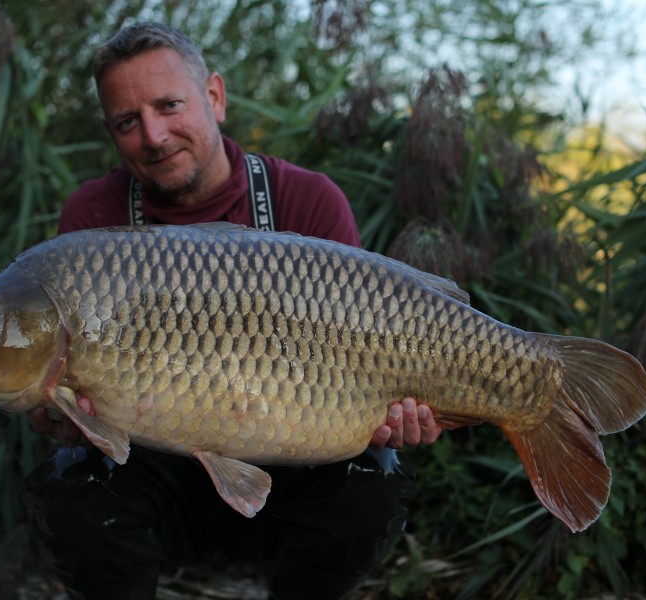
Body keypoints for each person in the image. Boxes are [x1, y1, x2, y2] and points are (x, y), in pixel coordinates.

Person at [22, 21, 442, 600]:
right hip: (153, 479)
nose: (154, 135)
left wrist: (397, 418)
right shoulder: (93, 217)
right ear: (112, 132)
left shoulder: (308, 200)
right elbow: (70, 401)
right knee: (74, 481)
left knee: (373, 478)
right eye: (127, 121)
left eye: (170, 105)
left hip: (290, 475)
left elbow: (371, 347)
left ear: (214, 97)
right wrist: (58, 414)